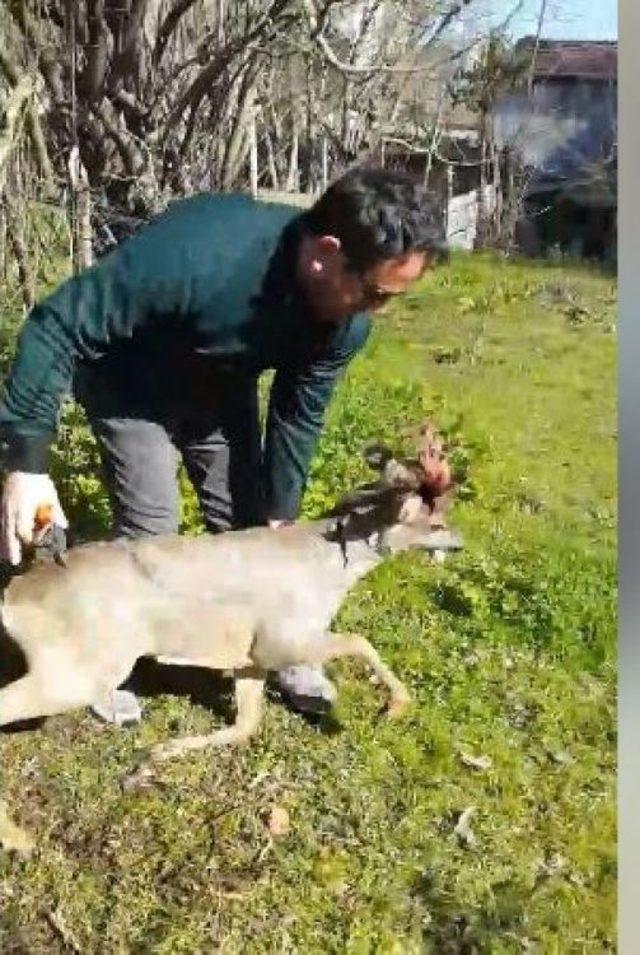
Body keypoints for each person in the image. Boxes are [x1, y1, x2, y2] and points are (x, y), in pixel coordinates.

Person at [0, 166, 447, 723]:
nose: (378, 312)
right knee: (152, 539)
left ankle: (284, 644)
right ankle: (97, 657)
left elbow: (296, 415)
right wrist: (27, 462)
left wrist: (280, 515)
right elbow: (57, 326)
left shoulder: (343, 323)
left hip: (217, 389)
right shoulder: (199, 256)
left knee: (248, 525)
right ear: (325, 255)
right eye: (376, 293)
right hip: (130, 385)